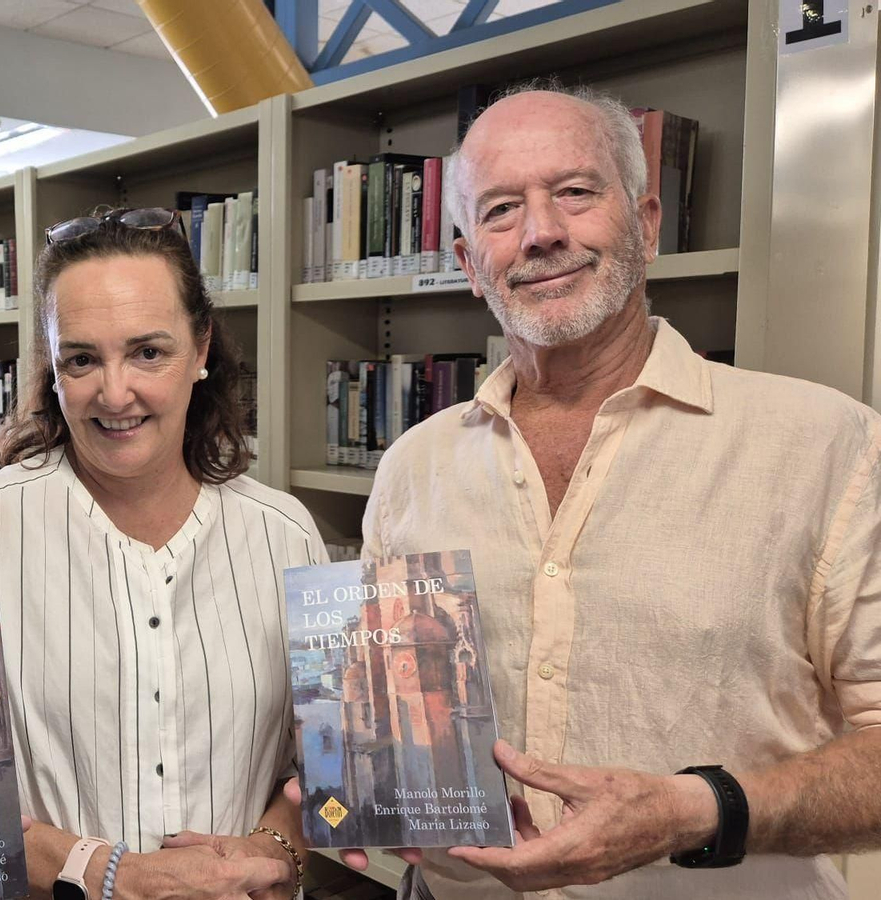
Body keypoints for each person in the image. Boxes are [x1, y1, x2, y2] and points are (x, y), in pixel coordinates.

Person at [346, 83, 881, 899]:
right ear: (466, 263)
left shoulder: (825, 445)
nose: (541, 234)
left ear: (648, 222)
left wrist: (701, 809)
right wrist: (364, 791)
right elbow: (393, 733)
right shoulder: (413, 466)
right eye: (499, 211)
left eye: (574, 193)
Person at [0, 209, 317, 900]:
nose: (115, 392)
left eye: (148, 352)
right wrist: (116, 875)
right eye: (82, 359)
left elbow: (335, 774)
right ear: (53, 367)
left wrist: (275, 852)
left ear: (202, 346)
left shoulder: (285, 534)